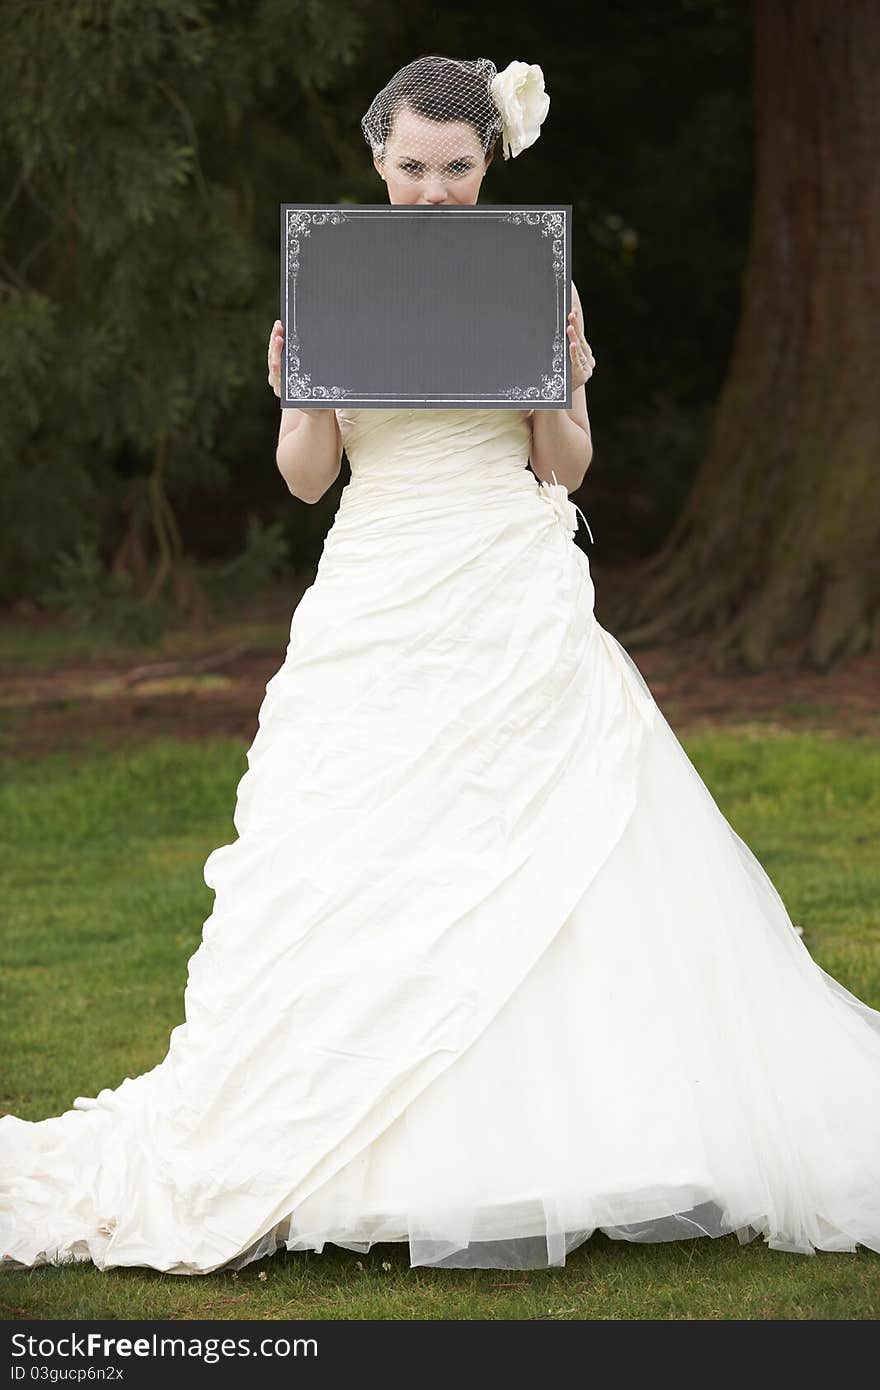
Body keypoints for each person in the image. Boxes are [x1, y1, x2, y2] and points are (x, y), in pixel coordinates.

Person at [2, 55, 879, 1277]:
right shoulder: (331, 271)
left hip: (503, 585)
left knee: (544, 841)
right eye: (410, 166)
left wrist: (566, 378)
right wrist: (297, 387)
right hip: (380, 581)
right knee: (358, 849)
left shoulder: (529, 268)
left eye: (456, 169)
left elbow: (561, 468)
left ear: (488, 166)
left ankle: (566, 1143)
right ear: (378, 163)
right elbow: (308, 480)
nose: (431, 190)